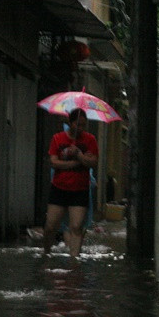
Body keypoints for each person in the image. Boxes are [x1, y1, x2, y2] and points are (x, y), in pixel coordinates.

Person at [44, 108, 98, 259]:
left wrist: (79, 154)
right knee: (50, 226)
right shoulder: (57, 139)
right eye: (78, 124)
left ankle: (74, 258)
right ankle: (46, 252)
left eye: (83, 125)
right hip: (59, 188)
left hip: (79, 190)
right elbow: (54, 162)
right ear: (71, 123)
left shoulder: (90, 140)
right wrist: (76, 163)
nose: (80, 128)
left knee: (76, 227)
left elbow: (93, 162)